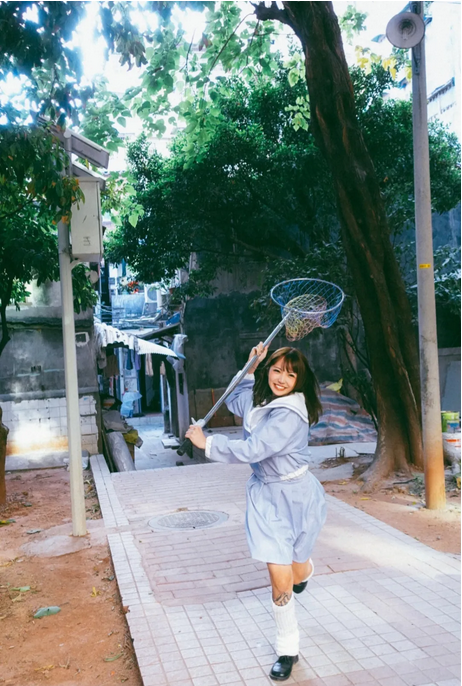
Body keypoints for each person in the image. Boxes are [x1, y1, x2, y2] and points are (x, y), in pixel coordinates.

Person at [186, 343, 327, 682]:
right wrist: (251, 366)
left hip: (298, 497)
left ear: (300, 381)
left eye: (290, 374)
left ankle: (305, 570)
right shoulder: (263, 400)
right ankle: (287, 649)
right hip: (266, 499)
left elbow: (254, 448)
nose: (281, 379)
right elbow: (236, 398)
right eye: (276, 370)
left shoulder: (290, 414)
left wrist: (208, 443)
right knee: (279, 576)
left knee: (295, 571)